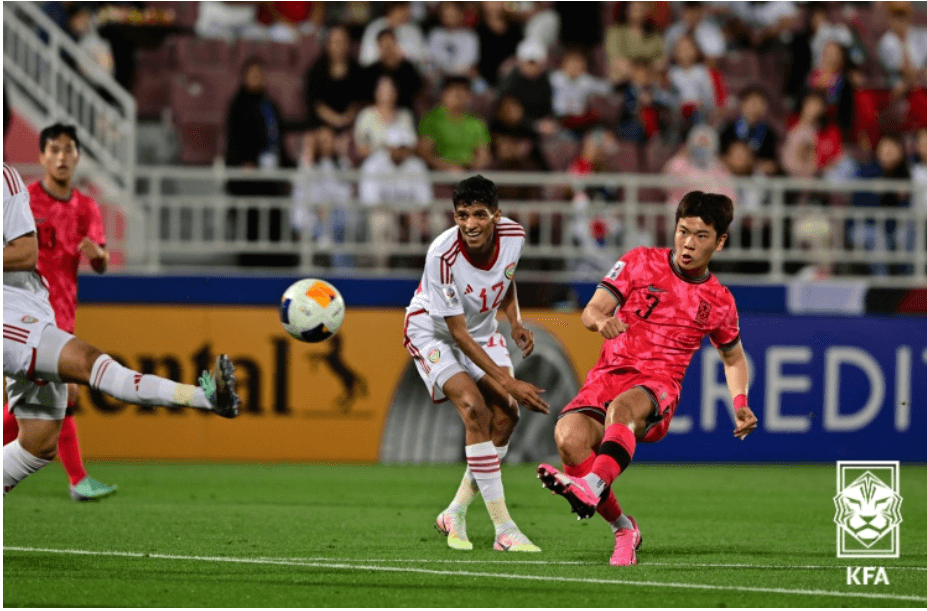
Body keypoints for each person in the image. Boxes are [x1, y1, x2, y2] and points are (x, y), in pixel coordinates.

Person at [536, 191, 758, 566]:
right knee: (569, 440)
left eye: (701, 236)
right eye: (683, 231)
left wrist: (741, 403)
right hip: (608, 375)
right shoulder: (639, 262)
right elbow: (591, 312)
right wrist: (602, 320)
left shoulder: (719, 301)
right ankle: (624, 528)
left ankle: (590, 486)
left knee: (622, 410)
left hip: (657, 387)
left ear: (720, 241)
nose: (688, 243)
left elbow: (733, 358)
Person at [3, 162, 240, 497]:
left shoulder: (7, 178)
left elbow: (26, 252)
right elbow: (27, 253)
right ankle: (204, 397)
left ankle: (205, 398)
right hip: (6, 313)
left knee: (38, 443)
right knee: (89, 363)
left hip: (33, 307)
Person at [403, 175, 549, 552]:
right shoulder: (442, 255)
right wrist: (510, 380)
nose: (469, 224)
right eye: (462, 215)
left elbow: (507, 278)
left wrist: (515, 320)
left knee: (507, 417)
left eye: (479, 215)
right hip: (433, 332)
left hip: (482, 331)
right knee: (474, 408)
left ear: (496, 216)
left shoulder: (514, 236)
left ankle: (455, 511)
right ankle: (505, 530)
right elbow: (458, 335)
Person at [2, 124, 115, 501]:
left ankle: (74, 478)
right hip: (24, 310)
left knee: (46, 402)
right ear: (42, 156)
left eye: (69, 149)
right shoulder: (24, 199)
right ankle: (78, 479)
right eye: (54, 149)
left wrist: (99, 257)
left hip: (62, 310)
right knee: (52, 397)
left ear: (78, 155)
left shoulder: (86, 207)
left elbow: (99, 259)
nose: (62, 157)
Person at [418, 77, 491, 172]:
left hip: (470, 171)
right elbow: (424, 152)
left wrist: (475, 167)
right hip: (441, 171)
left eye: (464, 91)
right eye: (455, 92)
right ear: (443, 94)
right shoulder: (431, 119)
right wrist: (447, 167)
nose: (459, 96)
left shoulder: (477, 122)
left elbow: (484, 154)